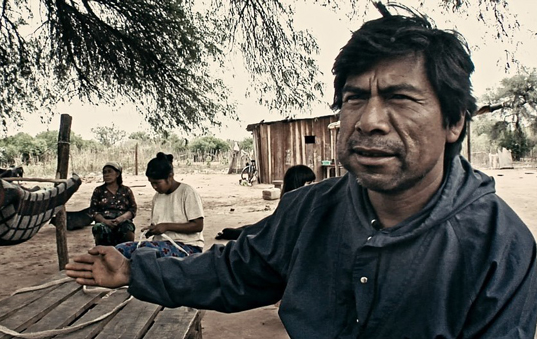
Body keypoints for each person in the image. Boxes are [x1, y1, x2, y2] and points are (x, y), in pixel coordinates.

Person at [66, 10, 537, 338]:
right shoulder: (310, 208)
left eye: (399, 97)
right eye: (354, 98)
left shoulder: (499, 247)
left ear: (454, 122)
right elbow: (234, 271)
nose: (369, 120)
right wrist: (135, 270)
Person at [115, 152, 205, 258]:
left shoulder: (187, 192)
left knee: (142, 254)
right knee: (120, 249)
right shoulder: (157, 197)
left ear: (170, 176)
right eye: (151, 183)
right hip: (161, 244)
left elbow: (198, 225)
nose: (154, 187)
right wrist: (153, 230)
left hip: (187, 247)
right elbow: (160, 225)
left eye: (157, 183)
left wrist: (166, 226)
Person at [215, 164, 316, 240]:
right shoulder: (291, 201)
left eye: (313, 182)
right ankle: (232, 232)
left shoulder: (309, 199)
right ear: (296, 183)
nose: (314, 186)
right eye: (309, 183)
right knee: (259, 230)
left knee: (260, 227)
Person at [89, 161, 137, 246]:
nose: (106, 175)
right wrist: (105, 221)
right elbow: (93, 211)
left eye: (110, 171)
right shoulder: (98, 191)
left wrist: (121, 219)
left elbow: (132, 209)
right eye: (104, 172)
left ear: (117, 174)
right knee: (99, 228)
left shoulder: (126, 190)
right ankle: (102, 254)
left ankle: (128, 252)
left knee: (127, 227)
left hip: (122, 221)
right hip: (105, 222)